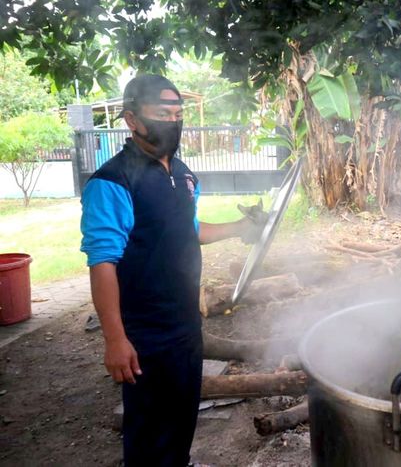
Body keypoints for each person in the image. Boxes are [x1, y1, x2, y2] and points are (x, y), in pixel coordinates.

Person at [80, 74, 266, 466]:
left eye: (178, 113)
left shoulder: (183, 175)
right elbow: (103, 262)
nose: (174, 121)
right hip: (144, 331)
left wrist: (241, 229)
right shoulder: (113, 182)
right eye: (163, 113)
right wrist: (115, 339)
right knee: (149, 426)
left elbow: (190, 230)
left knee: (182, 411)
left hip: (185, 322)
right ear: (132, 120)